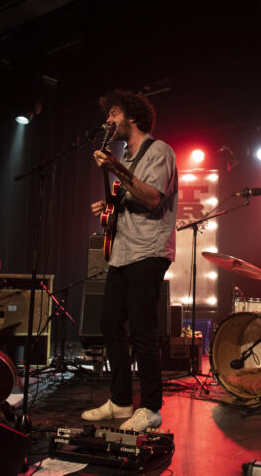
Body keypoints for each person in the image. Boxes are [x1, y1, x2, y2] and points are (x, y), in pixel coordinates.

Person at [82, 89, 178, 432]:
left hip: (149, 251)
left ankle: (151, 407)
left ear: (131, 117)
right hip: (122, 252)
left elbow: (152, 198)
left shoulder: (159, 151)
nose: (108, 121)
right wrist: (105, 213)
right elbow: (125, 208)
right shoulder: (127, 156)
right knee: (109, 325)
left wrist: (116, 168)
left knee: (142, 329)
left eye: (114, 114)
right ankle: (121, 401)